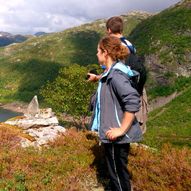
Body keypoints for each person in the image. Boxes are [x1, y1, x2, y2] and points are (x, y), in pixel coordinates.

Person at [90, 36, 142, 191]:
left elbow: (132, 100)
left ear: (105, 52)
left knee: (118, 176)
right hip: (112, 134)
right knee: (117, 173)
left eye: (98, 51)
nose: (96, 54)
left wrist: (121, 129)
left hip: (116, 137)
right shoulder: (110, 73)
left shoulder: (115, 75)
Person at [88, 16, 148, 134]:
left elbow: (115, 73)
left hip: (122, 91)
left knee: (118, 124)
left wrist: (97, 77)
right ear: (121, 29)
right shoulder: (129, 44)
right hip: (136, 88)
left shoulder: (114, 47)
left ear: (109, 30)